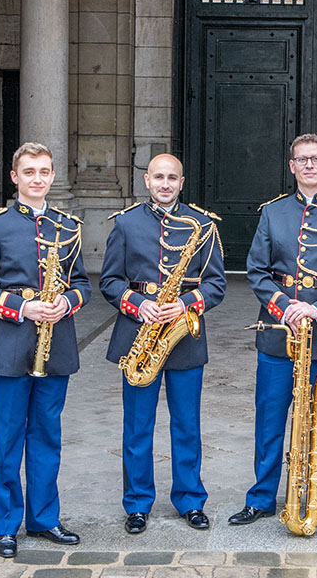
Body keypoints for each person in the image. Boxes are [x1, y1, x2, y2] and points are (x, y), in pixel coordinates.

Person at [228, 133, 317, 532]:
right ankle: (261, 498)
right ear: (291, 166)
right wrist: (286, 307)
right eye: (301, 159)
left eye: (316, 158)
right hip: (279, 331)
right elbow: (255, 270)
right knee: (270, 418)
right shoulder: (273, 213)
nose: (309, 165)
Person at [0, 142, 92, 559]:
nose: (38, 178)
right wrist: (24, 306)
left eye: (45, 171)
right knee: (8, 439)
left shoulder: (68, 226)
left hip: (57, 345)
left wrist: (65, 303)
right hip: (12, 344)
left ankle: (44, 518)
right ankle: (5, 525)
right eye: (30, 171)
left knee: (47, 436)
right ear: (14, 177)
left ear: (53, 176)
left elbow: (84, 285)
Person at [100, 153, 226, 535]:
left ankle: (190, 500)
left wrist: (184, 303)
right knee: (138, 425)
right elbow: (108, 281)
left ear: (182, 182)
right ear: (147, 181)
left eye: (172, 177)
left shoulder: (203, 225)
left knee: (187, 424)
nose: (165, 184)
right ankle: (137, 503)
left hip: (183, 335)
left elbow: (217, 284)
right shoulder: (125, 224)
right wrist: (141, 305)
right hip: (139, 335)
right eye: (159, 177)